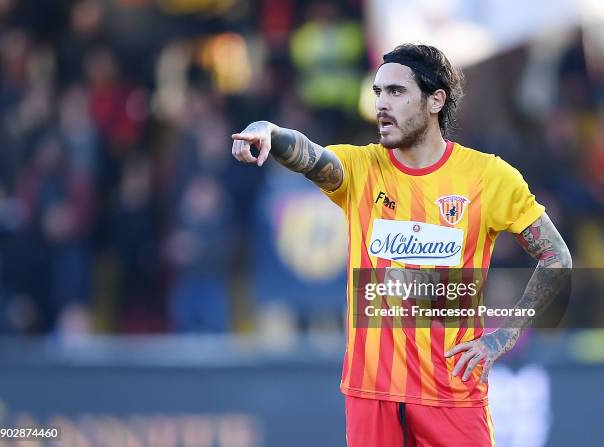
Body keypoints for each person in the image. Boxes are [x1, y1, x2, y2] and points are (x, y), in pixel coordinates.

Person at [231, 44, 572, 446]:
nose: (381, 104)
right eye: (378, 92)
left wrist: (504, 336)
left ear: (435, 100)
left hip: (452, 394)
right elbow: (308, 156)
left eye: (396, 92)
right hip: (371, 393)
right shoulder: (361, 168)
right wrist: (268, 129)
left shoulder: (488, 177)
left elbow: (557, 257)